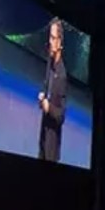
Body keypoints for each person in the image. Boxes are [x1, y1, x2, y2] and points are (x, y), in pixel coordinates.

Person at [38, 18, 67, 162]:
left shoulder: (61, 75)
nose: (50, 41)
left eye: (53, 38)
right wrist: (42, 99)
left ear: (60, 42)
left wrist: (48, 107)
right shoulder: (49, 63)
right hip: (43, 138)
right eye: (50, 37)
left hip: (51, 148)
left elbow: (61, 116)